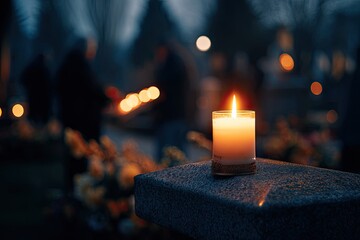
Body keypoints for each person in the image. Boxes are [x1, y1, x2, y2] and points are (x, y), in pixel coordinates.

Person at [153, 39, 194, 161]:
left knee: (169, 151)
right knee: (178, 150)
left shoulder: (171, 67)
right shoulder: (177, 64)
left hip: (171, 116)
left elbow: (164, 88)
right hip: (175, 115)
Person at [21, 53, 52, 126]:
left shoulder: (32, 68)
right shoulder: (44, 69)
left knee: (34, 115)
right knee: (41, 115)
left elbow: (23, 78)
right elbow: (49, 84)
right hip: (41, 97)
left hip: (33, 96)